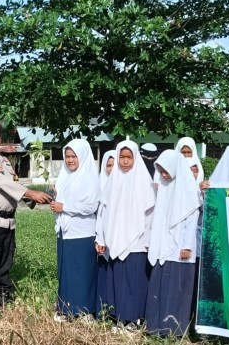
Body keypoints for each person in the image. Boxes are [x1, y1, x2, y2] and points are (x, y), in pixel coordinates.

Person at [0, 116, 51, 306]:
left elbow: (12, 185)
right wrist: (30, 193)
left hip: (8, 221)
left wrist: (34, 198)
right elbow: (1, 182)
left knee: (4, 265)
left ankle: (3, 303)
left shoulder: (4, 160)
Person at [95, 140, 156, 327]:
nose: (125, 161)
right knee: (117, 281)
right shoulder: (113, 181)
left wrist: (147, 241)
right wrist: (101, 237)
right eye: (122, 157)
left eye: (129, 157)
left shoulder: (144, 182)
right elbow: (103, 212)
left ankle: (133, 320)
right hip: (114, 239)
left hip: (137, 242)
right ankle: (118, 318)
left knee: (133, 281)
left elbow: (150, 215)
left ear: (135, 158)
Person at [145, 150, 201, 336]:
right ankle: (156, 327)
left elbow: (191, 221)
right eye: (161, 171)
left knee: (176, 289)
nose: (164, 175)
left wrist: (187, 246)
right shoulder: (165, 188)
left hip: (180, 250)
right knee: (160, 288)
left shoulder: (190, 191)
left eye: (166, 171)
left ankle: (174, 330)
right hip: (163, 247)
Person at [51, 139, 100, 321]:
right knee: (67, 271)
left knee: (82, 272)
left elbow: (91, 206)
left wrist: (65, 206)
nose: (70, 160)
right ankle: (66, 308)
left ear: (83, 157)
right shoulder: (64, 176)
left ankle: (85, 310)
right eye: (67, 156)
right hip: (65, 231)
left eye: (74, 156)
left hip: (82, 233)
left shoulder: (89, 178)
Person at [96, 150, 116, 314]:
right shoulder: (98, 185)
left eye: (114, 165)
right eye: (108, 165)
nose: (111, 168)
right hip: (100, 239)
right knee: (102, 271)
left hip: (118, 239)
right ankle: (102, 306)